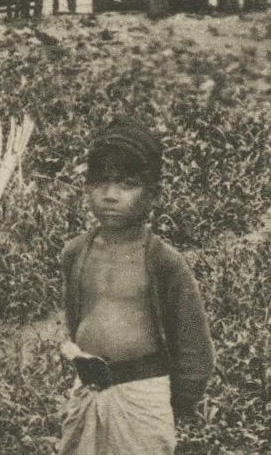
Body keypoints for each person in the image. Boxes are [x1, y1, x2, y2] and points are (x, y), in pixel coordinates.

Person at [57, 122, 213, 455]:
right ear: (86, 188)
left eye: (127, 184)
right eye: (100, 181)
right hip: (89, 388)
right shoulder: (75, 253)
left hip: (143, 396)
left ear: (153, 194)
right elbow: (77, 319)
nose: (110, 195)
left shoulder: (163, 261)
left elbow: (194, 349)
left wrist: (171, 407)